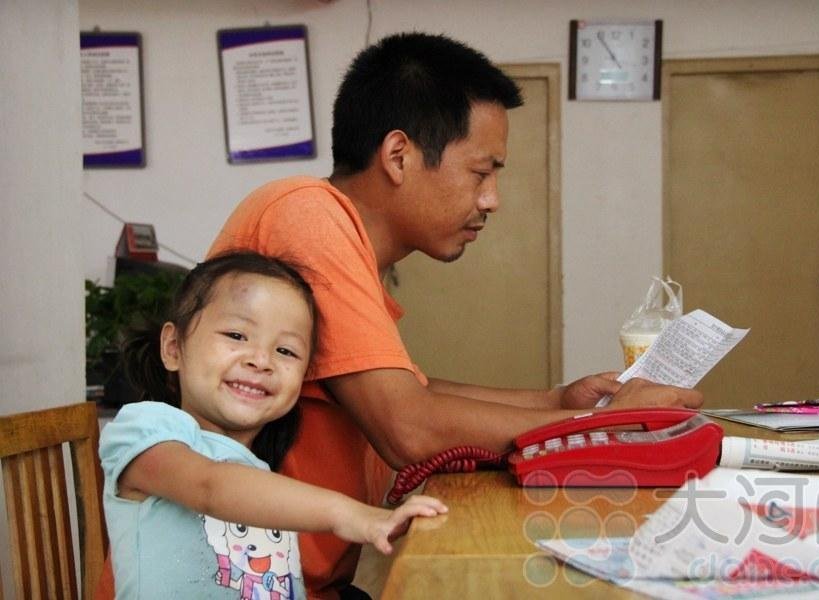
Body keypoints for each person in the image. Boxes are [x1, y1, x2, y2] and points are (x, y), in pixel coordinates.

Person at [97, 32, 702, 600]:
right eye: (482, 172)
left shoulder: (350, 247)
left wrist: (558, 401)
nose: (491, 200)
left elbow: (409, 392)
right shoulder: (308, 215)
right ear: (398, 155)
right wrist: (592, 430)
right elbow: (407, 427)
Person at [99, 252, 447, 599]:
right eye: (236, 335)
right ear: (174, 347)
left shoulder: (262, 477)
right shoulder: (145, 430)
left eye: (286, 351)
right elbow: (210, 487)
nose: (261, 360)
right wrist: (354, 516)